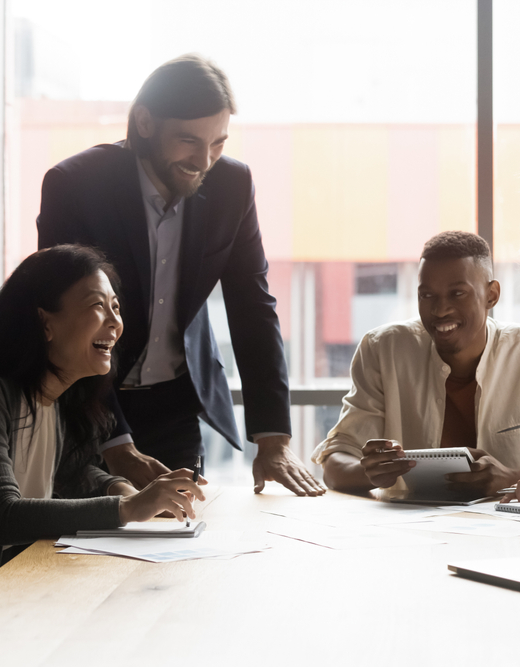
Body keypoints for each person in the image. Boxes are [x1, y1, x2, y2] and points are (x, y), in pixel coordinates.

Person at [36, 54, 323, 496]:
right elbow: (69, 321)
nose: (204, 160)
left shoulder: (232, 186)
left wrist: (273, 438)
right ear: (145, 122)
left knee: (177, 543)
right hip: (87, 397)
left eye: (218, 143)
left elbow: (253, 307)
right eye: (189, 141)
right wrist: (115, 442)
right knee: (84, 548)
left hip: (175, 401)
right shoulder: (75, 185)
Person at [0, 245, 207, 632]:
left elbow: (72, 473)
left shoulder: (57, 399)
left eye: (116, 306)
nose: (115, 322)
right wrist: (128, 509)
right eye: (98, 305)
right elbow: (3, 515)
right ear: (45, 322)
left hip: (0, 600)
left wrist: (125, 488)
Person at [312, 231, 520, 497]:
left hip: (505, 533)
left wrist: (511, 477)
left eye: (457, 293)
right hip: (409, 535)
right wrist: (369, 473)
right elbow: (336, 461)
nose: (440, 309)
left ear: (491, 295)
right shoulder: (382, 349)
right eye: (427, 295)